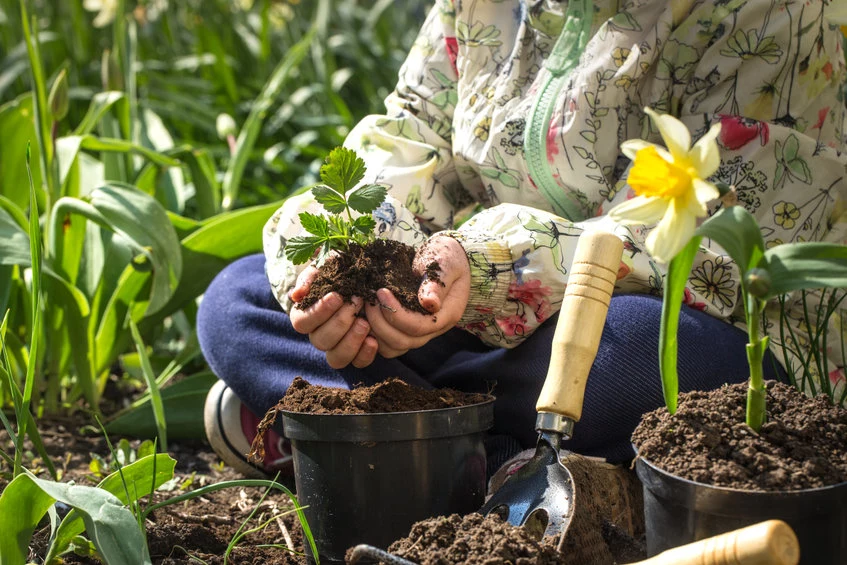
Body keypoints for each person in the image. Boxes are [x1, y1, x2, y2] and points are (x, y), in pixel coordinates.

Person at [198, 0, 847, 480]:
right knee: (238, 302)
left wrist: (485, 267)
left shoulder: (775, 15)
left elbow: (712, 243)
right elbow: (411, 132)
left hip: (669, 315)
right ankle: (506, 470)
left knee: (644, 360)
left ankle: (351, 438)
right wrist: (358, 261)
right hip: (470, 311)